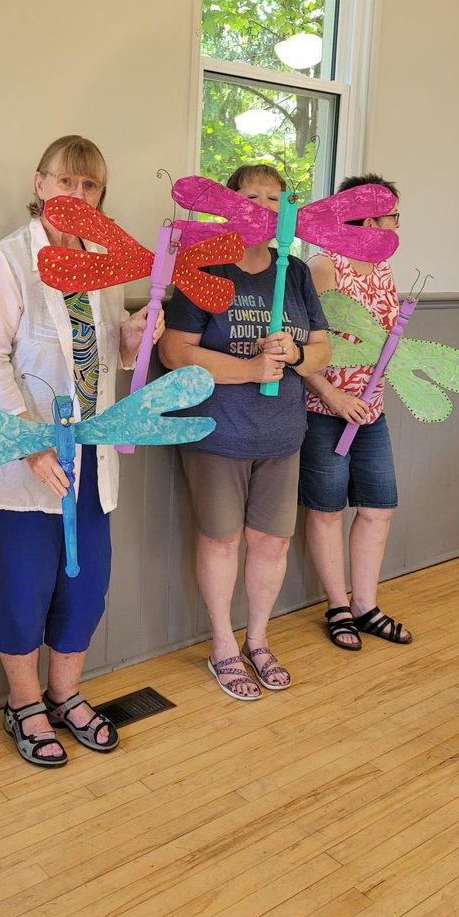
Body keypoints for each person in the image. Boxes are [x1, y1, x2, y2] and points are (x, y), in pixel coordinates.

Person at [0, 135, 159, 767]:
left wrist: (135, 334)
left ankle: (65, 693)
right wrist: (28, 445)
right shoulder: (6, 261)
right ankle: (24, 705)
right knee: (25, 589)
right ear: (40, 183)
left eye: (91, 186)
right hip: (26, 463)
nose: (78, 195)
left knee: (85, 587)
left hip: (92, 459)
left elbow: (108, 358)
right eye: (66, 182)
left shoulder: (102, 263)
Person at [159, 163, 330, 700]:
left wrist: (295, 353)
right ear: (227, 202)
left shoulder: (295, 271)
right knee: (222, 539)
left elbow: (323, 349)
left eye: (274, 199)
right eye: (251, 196)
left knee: (272, 544)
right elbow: (173, 352)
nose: (263, 207)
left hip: (283, 435)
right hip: (218, 432)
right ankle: (222, 647)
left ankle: (258, 641)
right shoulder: (204, 264)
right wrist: (252, 369)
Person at [299, 173, 412, 650]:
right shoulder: (325, 266)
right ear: (369, 218)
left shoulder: (382, 268)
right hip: (325, 410)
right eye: (393, 216)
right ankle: (337, 606)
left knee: (378, 509)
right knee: (326, 511)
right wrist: (332, 396)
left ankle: (366, 605)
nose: (396, 225)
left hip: (371, 411)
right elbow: (300, 349)